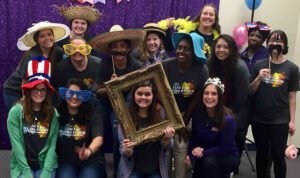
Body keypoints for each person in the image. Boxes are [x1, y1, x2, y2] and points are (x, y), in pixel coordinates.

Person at [90, 25, 145, 177]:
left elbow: (143, 89)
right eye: (115, 46)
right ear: (110, 49)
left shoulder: (136, 65)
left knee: (119, 136)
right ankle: (103, 168)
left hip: (128, 105)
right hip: (106, 103)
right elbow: (97, 90)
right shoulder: (105, 64)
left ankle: (121, 171)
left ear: (128, 48)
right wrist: (111, 87)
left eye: (122, 46)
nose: (119, 49)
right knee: (103, 128)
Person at [249, 30, 299, 178]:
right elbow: (250, 91)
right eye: (272, 40)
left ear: (285, 45)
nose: (275, 43)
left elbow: (292, 97)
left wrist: (292, 121)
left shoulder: (292, 68)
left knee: (278, 155)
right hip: (259, 118)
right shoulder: (259, 65)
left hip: (280, 120)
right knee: (261, 154)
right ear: (267, 43)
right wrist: (258, 77)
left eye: (279, 40)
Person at [163, 32, 208, 178]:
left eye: (187, 49)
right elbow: (159, 93)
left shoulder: (201, 70)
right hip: (166, 114)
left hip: (187, 115)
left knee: (181, 149)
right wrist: (171, 118)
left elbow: (196, 99)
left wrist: (182, 124)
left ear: (195, 51)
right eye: (179, 47)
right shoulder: (166, 65)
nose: (181, 51)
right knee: (165, 152)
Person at [7, 58, 59, 178]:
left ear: (47, 92)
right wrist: (26, 172)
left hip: (45, 165)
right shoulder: (15, 112)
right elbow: (17, 146)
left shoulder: (53, 113)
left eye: (42, 89)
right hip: (22, 166)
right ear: (29, 90)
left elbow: (52, 146)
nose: (39, 93)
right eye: (35, 88)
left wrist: (46, 172)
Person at [3, 21, 69, 110]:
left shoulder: (57, 52)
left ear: (53, 36)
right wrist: (26, 102)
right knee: (20, 118)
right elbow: (25, 82)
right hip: (15, 91)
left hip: (36, 90)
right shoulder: (31, 56)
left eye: (49, 34)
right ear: (37, 40)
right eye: (42, 36)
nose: (47, 38)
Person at [207, 34, 249, 173]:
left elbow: (242, 96)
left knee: (226, 149)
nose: (221, 50)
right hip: (215, 109)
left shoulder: (240, 67)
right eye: (218, 46)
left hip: (234, 112)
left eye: (226, 47)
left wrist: (223, 111)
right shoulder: (210, 63)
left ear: (232, 49)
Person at [118, 81, 175, 178]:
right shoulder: (125, 116)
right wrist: (128, 150)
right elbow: (123, 149)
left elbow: (167, 147)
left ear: (153, 96)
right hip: (133, 169)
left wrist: (167, 139)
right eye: (139, 94)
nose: (143, 97)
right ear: (133, 95)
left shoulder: (161, 113)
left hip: (156, 170)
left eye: (147, 94)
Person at [187, 77, 240, 178]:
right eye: (206, 93)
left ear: (220, 97)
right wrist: (191, 152)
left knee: (208, 163)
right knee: (199, 167)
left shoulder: (228, 120)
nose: (209, 97)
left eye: (214, 94)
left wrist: (202, 152)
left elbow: (224, 148)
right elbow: (194, 136)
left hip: (227, 156)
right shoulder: (197, 114)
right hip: (206, 152)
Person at [56, 78, 105, 178]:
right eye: (70, 93)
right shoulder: (57, 114)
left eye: (78, 94)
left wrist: (89, 151)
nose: (74, 97)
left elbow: (98, 139)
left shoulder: (93, 113)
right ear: (65, 94)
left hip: (91, 160)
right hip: (66, 160)